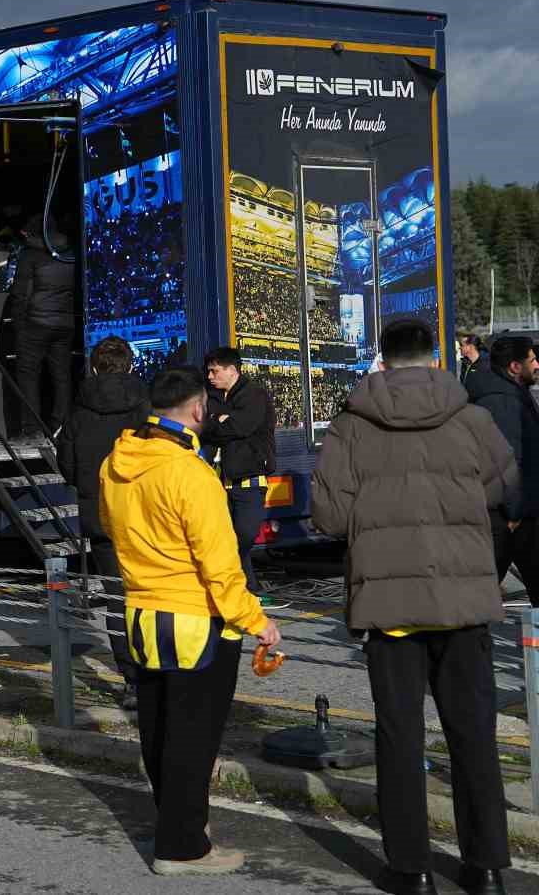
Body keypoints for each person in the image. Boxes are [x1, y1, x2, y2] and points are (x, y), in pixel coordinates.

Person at [312, 319, 517, 895]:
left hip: (389, 603)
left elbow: (328, 516)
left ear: (382, 359)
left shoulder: (351, 425)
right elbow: (504, 484)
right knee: (474, 734)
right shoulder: (472, 416)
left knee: (399, 736)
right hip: (464, 599)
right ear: (434, 358)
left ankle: (411, 869)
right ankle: (488, 867)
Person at [100, 367, 277, 876]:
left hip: (142, 611)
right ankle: (182, 846)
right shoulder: (190, 472)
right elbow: (220, 566)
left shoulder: (117, 462)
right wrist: (256, 620)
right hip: (197, 620)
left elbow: (112, 529)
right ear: (199, 409)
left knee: (157, 729)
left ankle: (175, 824)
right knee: (193, 739)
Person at [55, 336, 148, 709]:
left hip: (100, 517)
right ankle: (158, 669)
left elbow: (67, 465)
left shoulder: (78, 411)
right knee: (152, 596)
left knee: (116, 601)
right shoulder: (145, 407)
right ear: (129, 365)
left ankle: (132, 681)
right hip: (144, 516)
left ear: (94, 367)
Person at [200, 346, 283, 611]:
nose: (210, 375)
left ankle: (241, 587)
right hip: (217, 481)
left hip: (249, 478)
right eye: (208, 370)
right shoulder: (210, 397)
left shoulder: (255, 395)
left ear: (232, 370)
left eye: (215, 370)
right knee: (226, 536)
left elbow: (240, 426)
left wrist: (221, 423)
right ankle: (248, 589)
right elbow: (205, 426)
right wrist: (219, 421)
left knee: (244, 534)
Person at [466, 334, 539, 603]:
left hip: (516, 512)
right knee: (479, 598)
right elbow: (507, 460)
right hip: (512, 515)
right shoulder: (501, 401)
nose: (538, 365)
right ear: (514, 367)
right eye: (532, 360)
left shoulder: (510, 393)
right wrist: (515, 511)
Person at [10, 217, 76, 437]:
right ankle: (61, 425)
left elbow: (21, 294)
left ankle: (32, 428)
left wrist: (18, 325)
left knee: (28, 375)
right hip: (65, 322)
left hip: (36, 322)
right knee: (62, 375)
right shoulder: (69, 252)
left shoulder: (30, 255)